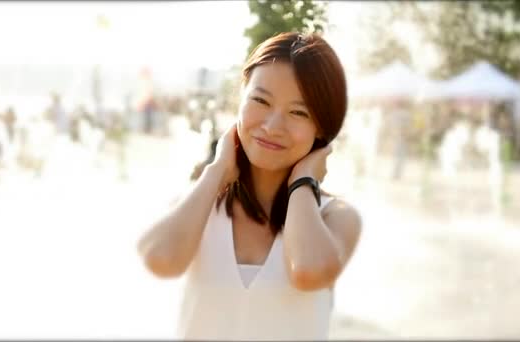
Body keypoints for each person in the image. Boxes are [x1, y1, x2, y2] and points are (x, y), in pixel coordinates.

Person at [137, 32, 362, 340]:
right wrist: (217, 170)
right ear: (240, 101)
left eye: (299, 112)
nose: (272, 126)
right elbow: (160, 260)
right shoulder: (199, 203)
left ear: (322, 127)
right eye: (260, 100)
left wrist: (304, 181)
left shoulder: (336, 216)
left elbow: (309, 271)